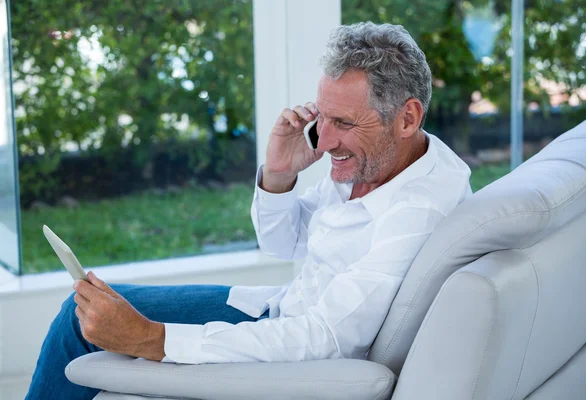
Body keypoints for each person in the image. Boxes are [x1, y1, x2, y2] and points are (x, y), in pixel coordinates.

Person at [26, 22, 471, 399]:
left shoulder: (417, 213)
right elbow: (283, 243)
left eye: (345, 123)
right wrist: (279, 174)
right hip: (277, 310)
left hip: (294, 354)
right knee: (82, 308)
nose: (325, 140)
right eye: (324, 119)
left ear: (408, 117)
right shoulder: (383, 159)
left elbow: (327, 337)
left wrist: (151, 339)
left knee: (78, 322)